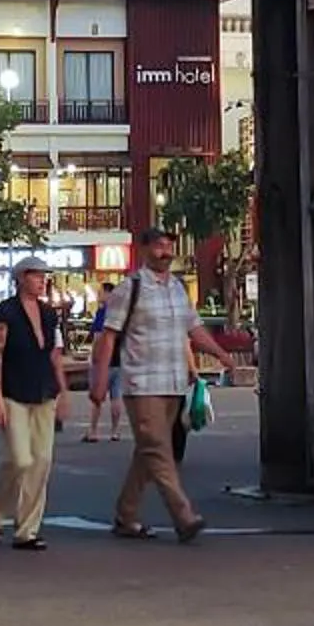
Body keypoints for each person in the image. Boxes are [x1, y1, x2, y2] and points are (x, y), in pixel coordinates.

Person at [90, 228, 233, 543]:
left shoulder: (178, 289)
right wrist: (100, 379)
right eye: (158, 246)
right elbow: (109, 336)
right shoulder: (130, 288)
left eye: (169, 246)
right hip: (142, 383)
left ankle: (126, 514)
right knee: (158, 448)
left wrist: (220, 353)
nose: (165, 252)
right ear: (144, 250)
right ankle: (184, 516)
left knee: (147, 452)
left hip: (174, 382)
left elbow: (194, 328)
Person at [0, 255, 68, 549]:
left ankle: (27, 530)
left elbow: (54, 355)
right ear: (21, 278)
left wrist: (63, 391)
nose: (42, 280)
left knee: (42, 461)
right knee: (20, 459)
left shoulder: (48, 313)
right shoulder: (6, 312)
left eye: (44, 276)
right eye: (36, 275)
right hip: (13, 393)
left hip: (44, 391)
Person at [83, 280, 125, 443]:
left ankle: (93, 431)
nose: (98, 295)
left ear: (108, 294)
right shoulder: (122, 313)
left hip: (103, 361)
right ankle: (115, 431)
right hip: (119, 359)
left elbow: (98, 337)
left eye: (100, 292)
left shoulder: (103, 313)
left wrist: (94, 358)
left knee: (97, 397)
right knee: (116, 397)